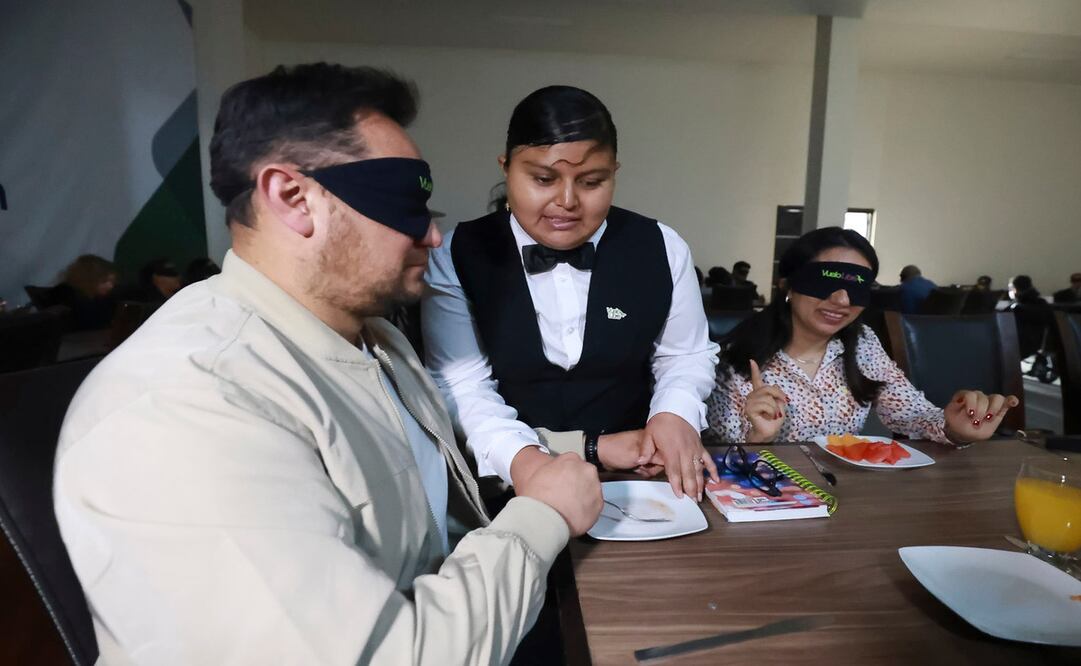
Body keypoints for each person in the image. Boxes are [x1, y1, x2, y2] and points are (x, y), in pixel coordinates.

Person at [54, 63, 602, 664]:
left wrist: (582, 447)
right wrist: (541, 515)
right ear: (293, 198)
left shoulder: (372, 340)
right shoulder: (186, 404)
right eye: (404, 203)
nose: (433, 236)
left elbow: (420, 473)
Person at [423, 85, 720, 501]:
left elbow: (684, 354)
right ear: (506, 168)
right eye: (543, 179)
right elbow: (462, 386)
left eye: (592, 181)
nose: (566, 201)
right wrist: (525, 460)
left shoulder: (661, 247)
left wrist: (674, 414)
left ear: (614, 172)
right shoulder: (456, 253)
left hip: (636, 479)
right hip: (506, 480)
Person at [706, 227, 1019, 445]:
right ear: (787, 285)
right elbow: (715, 457)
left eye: (857, 287)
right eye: (825, 281)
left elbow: (909, 413)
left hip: (847, 502)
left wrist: (954, 426)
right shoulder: (737, 358)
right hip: (767, 506)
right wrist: (758, 438)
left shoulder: (863, 344)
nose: (842, 300)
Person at [54, 254, 118, 330]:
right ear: (89, 280)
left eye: (112, 282)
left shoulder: (103, 299)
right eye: (104, 281)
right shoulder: (69, 298)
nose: (110, 286)